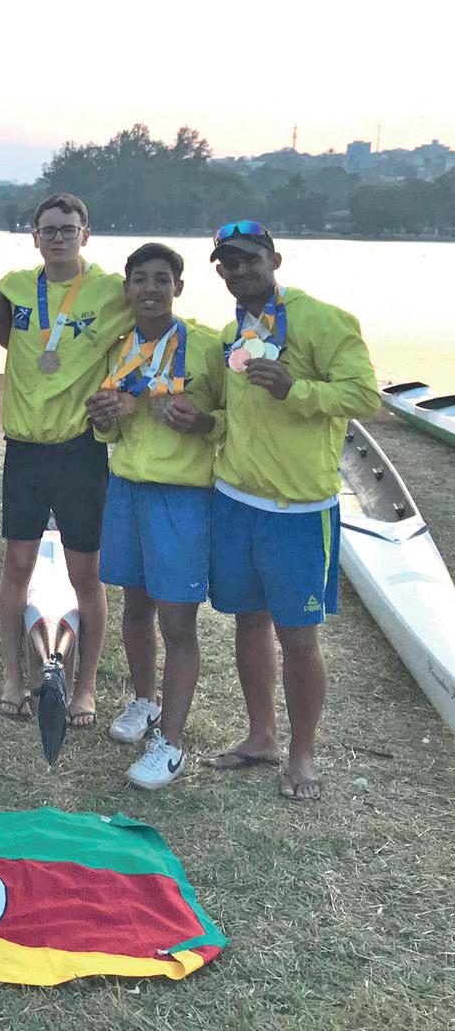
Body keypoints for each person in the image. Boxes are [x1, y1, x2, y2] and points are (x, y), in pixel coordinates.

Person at [203, 220, 378, 801]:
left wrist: (295, 388)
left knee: (298, 635)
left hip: (298, 508)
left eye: (249, 259)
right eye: (228, 263)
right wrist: (204, 422)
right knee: (248, 622)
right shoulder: (232, 332)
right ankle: (261, 737)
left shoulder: (324, 320)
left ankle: (302, 754)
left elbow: (365, 395)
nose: (238, 270)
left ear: (275, 260)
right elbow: (235, 415)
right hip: (235, 500)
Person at [84, 243, 224, 788]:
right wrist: (103, 419)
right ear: (126, 289)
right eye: (139, 279)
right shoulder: (119, 349)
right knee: (135, 609)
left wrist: (203, 422)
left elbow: (232, 419)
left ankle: (172, 742)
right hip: (127, 489)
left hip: (182, 497)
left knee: (178, 623)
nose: (150, 289)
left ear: (178, 288)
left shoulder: (207, 347)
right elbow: (111, 429)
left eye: (161, 279)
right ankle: (144, 701)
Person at [0, 194, 131, 724]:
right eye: (48, 230)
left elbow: (155, 324)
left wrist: (123, 395)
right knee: (16, 568)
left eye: (68, 230)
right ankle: (12, 677)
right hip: (25, 450)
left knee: (86, 574)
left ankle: (85, 686)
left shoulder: (112, 291)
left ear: (85, 234)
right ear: (34, 238)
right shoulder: (13, 287)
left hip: (80, 451)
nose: (58, 238)